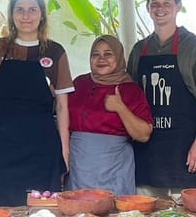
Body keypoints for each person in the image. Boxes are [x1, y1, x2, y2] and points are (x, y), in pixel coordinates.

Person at [0, 0, 72, 206]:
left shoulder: (55, 52)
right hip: (0, 146)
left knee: (42, 209)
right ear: (12, 15)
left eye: (32, 10)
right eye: (19, 10)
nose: (26, 16)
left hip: (42, 146)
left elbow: (63, 107)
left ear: (42, 15)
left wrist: (64, 151)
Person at [127, 0, 196, 195]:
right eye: (155, 4)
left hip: (185, 150)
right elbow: (131, 97)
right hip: (147, 152)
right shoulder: (139, 49)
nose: (160, 9)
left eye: (166, 3)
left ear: (178, 6)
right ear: (148, 8)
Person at [66, 35, 153, 196]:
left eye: (108, 54)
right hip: (79, 165)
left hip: (113, 168)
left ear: (118, 57)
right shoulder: (79, 83)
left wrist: (120, 108)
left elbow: (144, 134)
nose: (101, 59)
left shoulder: (130, 90)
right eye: (95, 54)